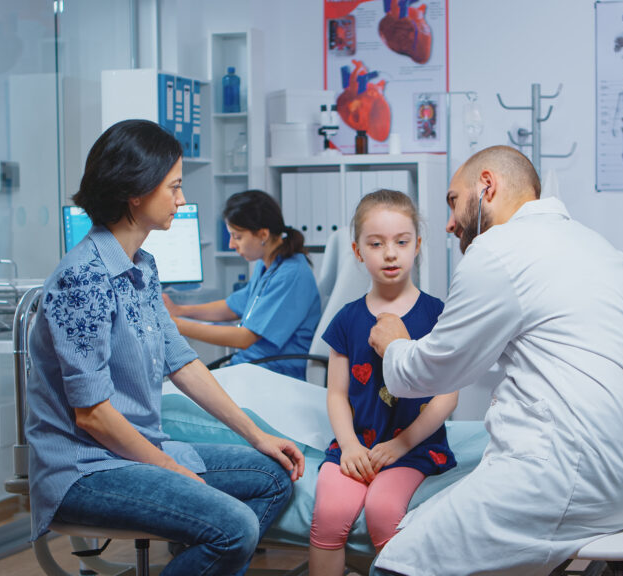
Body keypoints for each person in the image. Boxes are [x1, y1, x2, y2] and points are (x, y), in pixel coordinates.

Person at [25, 119, 305, 576]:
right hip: (86, 469)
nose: (181, 199)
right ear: (135, 192)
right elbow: (92, 414)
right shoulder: (83, 278)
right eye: (174, 187)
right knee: (234, 526)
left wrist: (257, 435)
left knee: (272, 476)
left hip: (138, 451)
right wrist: (171, 471)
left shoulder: (143, 267)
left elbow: (182, 361)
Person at [367, 145, 623, 575]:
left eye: (453, 201)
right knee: (430, 529)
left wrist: (394, 343)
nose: (449, 224)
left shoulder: (498, 250)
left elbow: (432, 371)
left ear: (486, 186)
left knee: (399, 561)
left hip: (560, 477)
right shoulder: (607, 252)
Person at [310, 190, 458, 576]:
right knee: (329, 513)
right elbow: (337, 394)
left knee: (383, 510)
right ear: (358, 251)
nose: (390, 253)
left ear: (417, 246)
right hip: (356, 446)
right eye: (376, 244)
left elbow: (447, 396)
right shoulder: (346, 319)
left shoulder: (439, 315)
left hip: (414, 447)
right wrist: (349, 445)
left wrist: (400, 444)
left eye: (401, 242)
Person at [163, 189, 322, 379]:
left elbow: (245, 338)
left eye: (237, 237)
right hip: (253, 366)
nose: (231, 245)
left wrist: (174, 325)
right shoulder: (269, 265)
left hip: (275, 375)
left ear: (263, 234)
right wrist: (179, 310)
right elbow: (231, 307)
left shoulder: (291, 274)